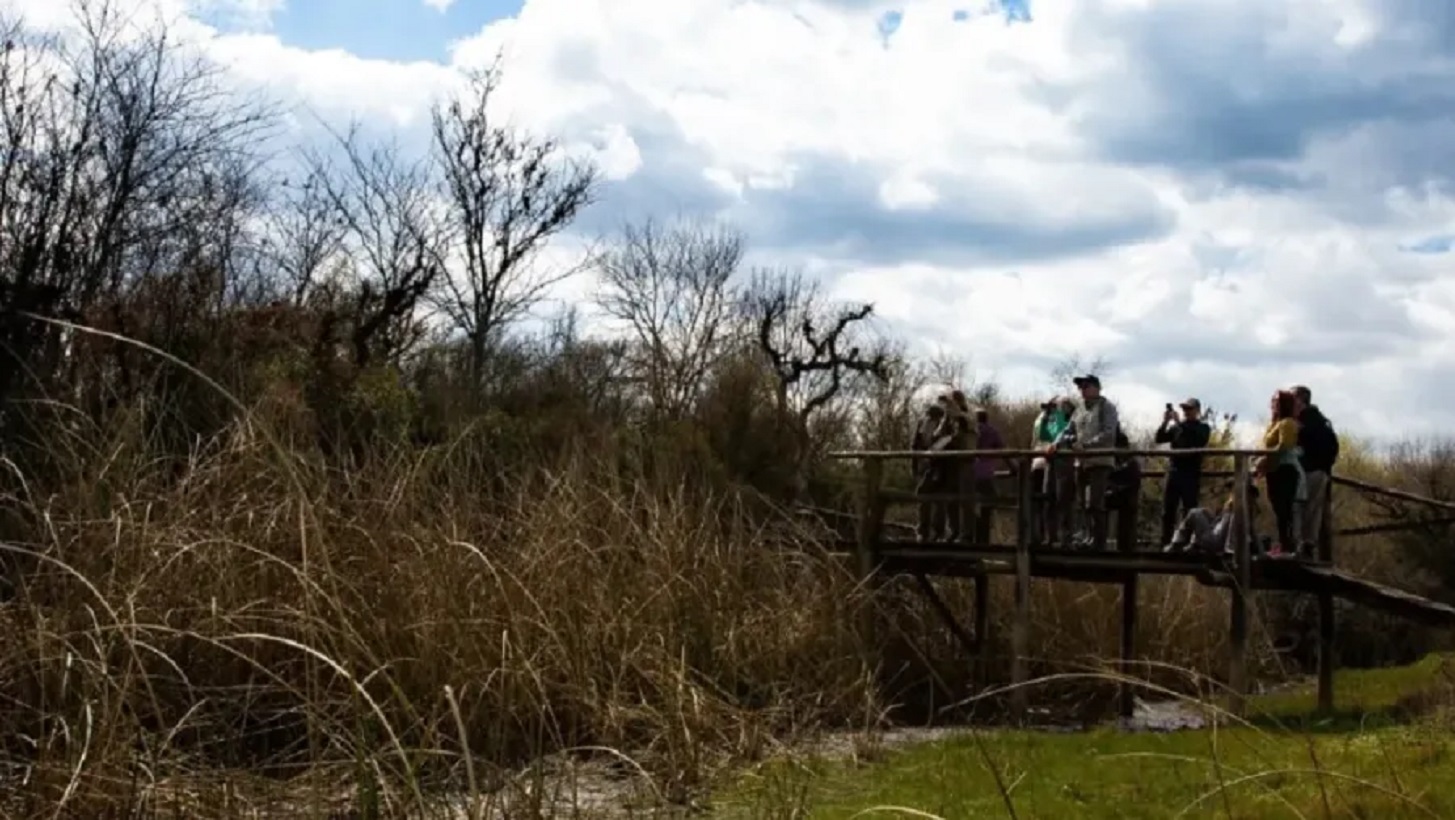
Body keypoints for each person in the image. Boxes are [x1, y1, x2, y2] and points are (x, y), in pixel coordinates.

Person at [1050, 375, 1119, 550]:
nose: (1082, 390)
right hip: (1081, 462)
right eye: (1080, 387)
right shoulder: (1079, 409)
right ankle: (1086, 537)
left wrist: (1086, 445)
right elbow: (1068, 429)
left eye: (1086, 386)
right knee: (1081, 503)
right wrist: (1056, 443)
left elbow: (1109, 433)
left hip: (1100, 461)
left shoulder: (1107, 407)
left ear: (1097, 387)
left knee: (1096, 503)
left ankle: (1099, 542)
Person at [1155, 398, 1212, 547]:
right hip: (1174, 471)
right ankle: (1165, 542)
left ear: (1197, 411)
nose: (1187, 412)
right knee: (1168, 510)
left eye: (1190, 409)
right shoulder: (1176, 428)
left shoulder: (1203, 428)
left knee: (1189, 509)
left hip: (1191, 473)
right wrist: (1165, 422)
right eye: (1185, 409)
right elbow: (1159, 438)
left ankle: (1186, 543)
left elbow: (1197, 440)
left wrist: (1179, 423)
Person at [1257, 390, 1306, 556]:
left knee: (1284, 509)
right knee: (1278, 509)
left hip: (1285, 470)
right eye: (1273, 401)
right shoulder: (1274, 424)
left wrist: (1266, 458)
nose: (1273, 404)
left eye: (1277, 401)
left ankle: (1287, 546)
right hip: (1274, 471)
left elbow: (1285, 445)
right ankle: (1283, 543)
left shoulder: (1288, 423)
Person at [1291, 385, 1339, 556]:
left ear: (1300, 400)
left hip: (1307, 470)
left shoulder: (1304, 422)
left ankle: (1297, 544)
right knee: (1313, 509)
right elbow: (1333, 447)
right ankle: (1309, 544)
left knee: (1298, 506)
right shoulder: (1322, 421)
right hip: (1321, 471)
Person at [1164, 484, 1262, 555]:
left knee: (1194, 513)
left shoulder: (1238, 513)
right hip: (1214, 534)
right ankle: (1191, 544)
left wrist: (1229, 549)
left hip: (1214, 541)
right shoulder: (1232, 509)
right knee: (1202, 512)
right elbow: (1222, 524)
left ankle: (1176, 543)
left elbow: (1232, 534)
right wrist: (1210, 517)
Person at [1030, 397, 1072, 545]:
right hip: (1049, 462)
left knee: (1062, 500)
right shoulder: (1050, 420)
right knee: (1048, 499)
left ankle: (1064, 537)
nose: (1052, 409)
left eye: (1054, 406)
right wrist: (1046, 417)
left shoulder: (1068, 420)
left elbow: (1062, 432)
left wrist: (1057, 415)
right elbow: (1043, 435)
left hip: (1064, 462)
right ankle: (1049, 536)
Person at [912, 401, 948, 541]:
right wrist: (915, 464)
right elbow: (915, 444)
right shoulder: (924, 424)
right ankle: (928, 530)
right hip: (926, 464)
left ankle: (932, 530)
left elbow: (943, 445)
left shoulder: (941, 427)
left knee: (933, 496)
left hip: (936, 465)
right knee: (928, 496)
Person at [972, 408, 1006, 545]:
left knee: (972, 505)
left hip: (971, 472)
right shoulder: (992, 431)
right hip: (986, 472)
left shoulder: (972, 431)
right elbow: (1001, 448)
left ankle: (975, 537)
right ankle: (984, 538)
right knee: (989, 503)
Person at [1107, 428, 1143, 550]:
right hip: (1115, 496)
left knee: (1127, 513)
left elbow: (1134, 483)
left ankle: (1126, 546)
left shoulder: (1132, 463)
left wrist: (1118, 488)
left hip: (1127, 498)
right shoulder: (1114, 462)